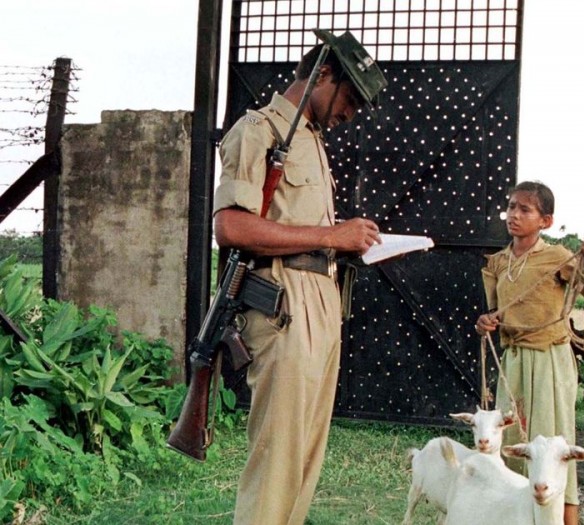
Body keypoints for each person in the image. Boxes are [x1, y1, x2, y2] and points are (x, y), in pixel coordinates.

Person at [212, 30, 387, 525]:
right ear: (322, 74)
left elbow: (294, 224)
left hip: (321, 298)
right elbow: (232, 227)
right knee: (279, 458)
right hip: (284, 304)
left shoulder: (310, 139)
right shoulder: (259, 131)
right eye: (351, 97)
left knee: (305, 457)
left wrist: (347, 241)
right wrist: (332, 236)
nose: (352, 112)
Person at [475, 180, 584, 525]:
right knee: (511, 440)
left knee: (553, 446)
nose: (514, 215)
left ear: (545, 221)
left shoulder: (558, 257)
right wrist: (485, 322)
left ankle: (566, 519)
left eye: (524, 209)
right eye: (511, 207)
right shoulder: (498, 262)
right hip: (513, 360)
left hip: (550, 360)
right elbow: (495, 312)